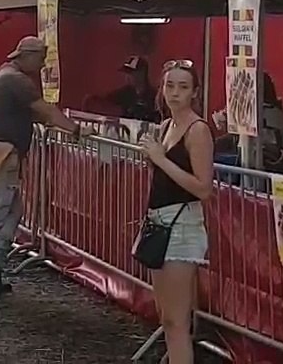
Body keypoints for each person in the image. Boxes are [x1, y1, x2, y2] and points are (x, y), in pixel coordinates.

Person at [0, 35, 85, 296]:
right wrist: (75, 129)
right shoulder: (17, 81)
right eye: (41, 58)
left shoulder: (3, 74)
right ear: (29, 56)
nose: (42, 65)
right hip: (4, 153)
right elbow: (46, 111)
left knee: (11, 210)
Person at [141, 60, 215, 364]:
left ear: (194, 92)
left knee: (176, 321)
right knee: (167, 317)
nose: (175, 93)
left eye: (183, 87)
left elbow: (203, 188)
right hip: (160, 221)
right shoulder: (167, 126)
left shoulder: (198, 131)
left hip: (182, 225)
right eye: (170, 86)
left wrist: (160, 159)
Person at [106, 56, 160, 123]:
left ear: (142, 73)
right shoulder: (123, 93)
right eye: (126, 73)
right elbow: (104, 102)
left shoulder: (155, 97)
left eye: (130, 73)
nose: (127, 76)